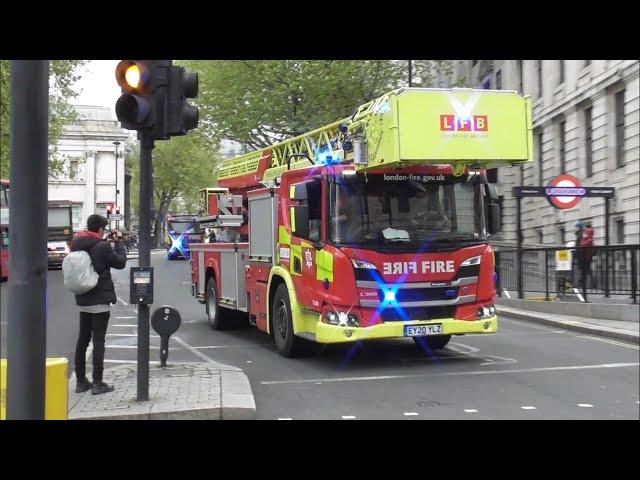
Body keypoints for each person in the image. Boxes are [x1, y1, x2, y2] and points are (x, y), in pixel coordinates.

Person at [71, 214, 127, 395]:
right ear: (101, 229)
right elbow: (120, 263)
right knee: (99, 340)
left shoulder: (77, 243)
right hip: (99, 299)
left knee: (83, 340)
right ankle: (97, 382)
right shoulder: (102, 246)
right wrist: (119, 243)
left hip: (83, 298)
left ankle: (80, 381)